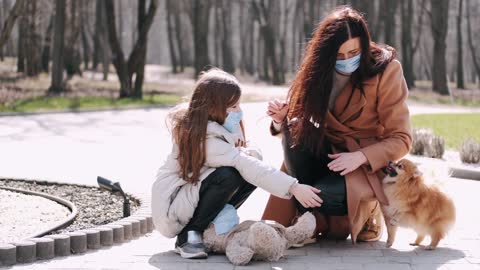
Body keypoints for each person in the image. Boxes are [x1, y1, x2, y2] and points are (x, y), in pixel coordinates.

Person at [262, 6, 412, 244]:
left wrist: (361, 156)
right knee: (295, 125)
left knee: (324, 195)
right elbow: (300, 119)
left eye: (354, 52)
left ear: (364, 45)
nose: (347, 61)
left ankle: (327, 218)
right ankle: (306, 217)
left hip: (362, 163)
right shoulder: (319, 70)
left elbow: (402, 138)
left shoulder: (387, 70)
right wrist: (280, 118)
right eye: (339, 56)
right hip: (327, 153)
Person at [151, 69, 323, 259]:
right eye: (233, 107)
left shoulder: (220, 128)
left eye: (238, 105)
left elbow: (250, 157)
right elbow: (243, 161)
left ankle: (210, 225)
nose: (239, 112)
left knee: (246, 171)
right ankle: (189, 235)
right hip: (173, 210)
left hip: (192, 194)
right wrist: (294, 187)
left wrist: (249, 153)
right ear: (213, 108)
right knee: (230, 175)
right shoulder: (203, 138)